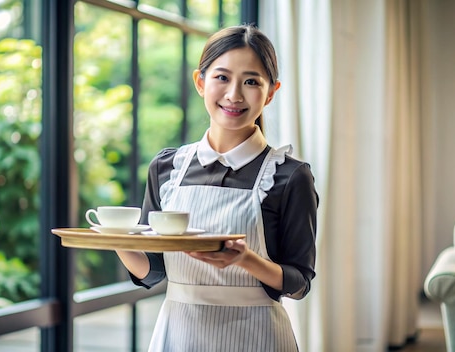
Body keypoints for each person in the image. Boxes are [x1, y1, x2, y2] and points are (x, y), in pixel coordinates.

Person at [115, 24, 318, 352]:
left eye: (251, 81)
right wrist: (117, 241)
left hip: (258, 337)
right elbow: (153, 271)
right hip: (178, 334)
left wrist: (245, 260)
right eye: (221, 77)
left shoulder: (290, 176)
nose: (234, 94)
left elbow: (298, 283)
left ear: (270, 92)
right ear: (200, 82)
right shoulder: (167, 168)